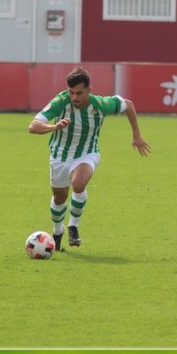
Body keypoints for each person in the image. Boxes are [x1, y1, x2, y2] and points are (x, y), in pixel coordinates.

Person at [28, 67, 151, 251]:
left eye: (79, 93)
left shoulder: (101, 104)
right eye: (71, 92)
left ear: (89, 90)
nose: (74, 97)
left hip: (87, 153)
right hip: (59, 156)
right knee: (59, 197)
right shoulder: (61, 102)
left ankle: (73, 226)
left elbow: (129, 104)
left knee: (78, 183)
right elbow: (33, 127)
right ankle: (57, 230)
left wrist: (136, 135)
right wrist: (54, 128)